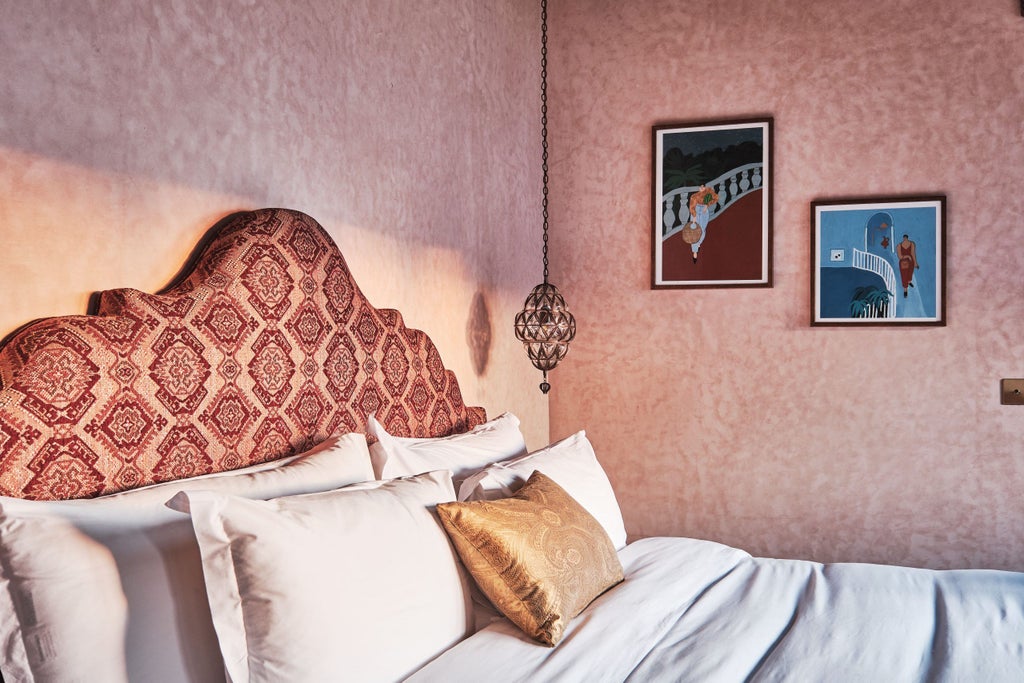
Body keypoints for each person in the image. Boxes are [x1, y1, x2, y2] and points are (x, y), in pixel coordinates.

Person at [687, 184, 719, 262]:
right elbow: (692, 207)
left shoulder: (708, 192)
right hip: (696, 210)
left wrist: (707, 205)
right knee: (694, 231)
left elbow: (715, 198)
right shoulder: (694, 196)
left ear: (705, 187)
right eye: (700, 187)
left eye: (703, 186)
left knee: (702, 229)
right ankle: (695, 252)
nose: (701, 188)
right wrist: (694, 216)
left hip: (704, 211)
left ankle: (698, 243)